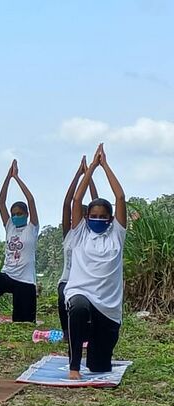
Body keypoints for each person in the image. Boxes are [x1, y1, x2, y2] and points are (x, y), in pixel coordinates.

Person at [65, 143, 127, 380]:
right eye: (94, 216)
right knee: (78, 307)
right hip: (81, 294)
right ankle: (73, 366)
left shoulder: (116, 235)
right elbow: (77, 198)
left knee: (100, 367)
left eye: (103, 217)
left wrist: (106, 166)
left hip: (108, 309)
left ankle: (94, 350)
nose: (98, 219)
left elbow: (120, 196)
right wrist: (91, 167)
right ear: (87, 217)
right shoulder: (81, 232)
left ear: (111, 219)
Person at [0, 159, 40, 323]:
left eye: (19, 213)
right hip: (8, 275)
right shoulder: (10, 227)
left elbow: (31, 200)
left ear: (27, 214)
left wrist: (17, 178)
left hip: (25, 280)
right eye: (13, 213)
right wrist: (8, 177)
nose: (15, 216)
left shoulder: (32, 228)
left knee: (23, 323)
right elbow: (0, 201)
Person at [58, 156, 98, 338]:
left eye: (82, 216)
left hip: (88, 280)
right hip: (68, 280)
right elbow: (67, 204)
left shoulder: (93, 234)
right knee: (62, 296)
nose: (76, 220)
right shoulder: (69, 234)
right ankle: (67, 333)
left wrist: (89, 177)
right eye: (76, 217)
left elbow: (96, 201)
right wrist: (78, 175)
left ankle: (89, 332)